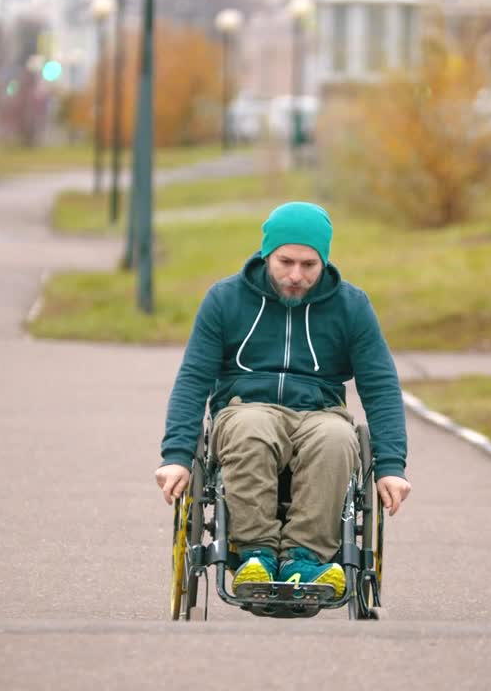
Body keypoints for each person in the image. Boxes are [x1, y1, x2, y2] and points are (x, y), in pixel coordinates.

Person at [154, 201, 411, 597]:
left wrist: (391, 465)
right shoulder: (225, 300)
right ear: (266, 254)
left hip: (320, 413)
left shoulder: (351, 305)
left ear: (324, 260)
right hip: (245, 408)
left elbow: (380, 385)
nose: (295, 276)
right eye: (285, 261)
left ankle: (305, 560)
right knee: (252, 428)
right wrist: (176, 457)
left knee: (337, 439)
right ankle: (254, 554)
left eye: (309, 265)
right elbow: (193, 379)